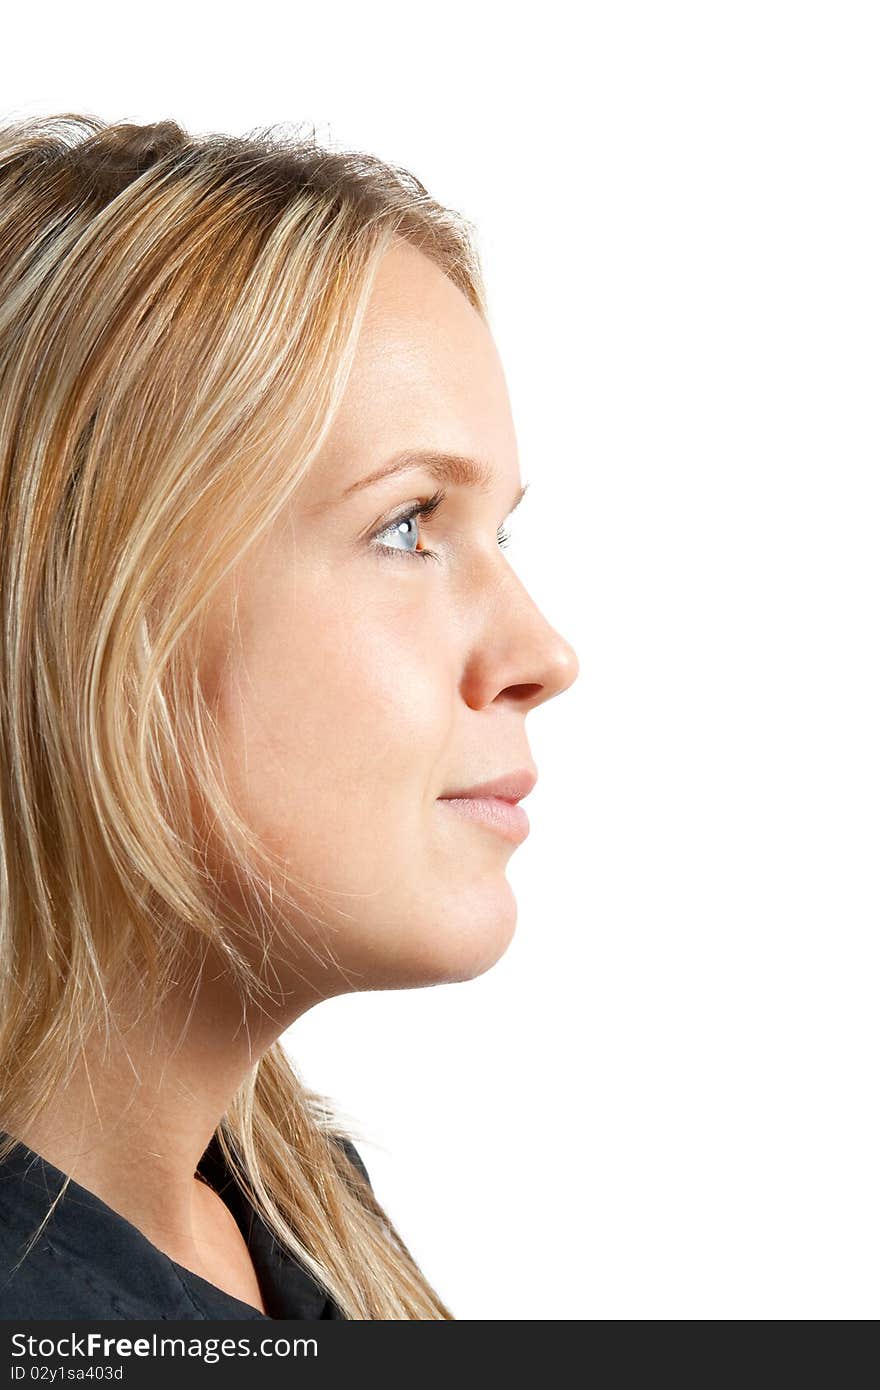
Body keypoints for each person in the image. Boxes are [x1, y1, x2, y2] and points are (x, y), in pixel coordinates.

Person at [0, 113, 579, 1320]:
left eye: (500, 530)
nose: (541, 655)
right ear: (85, 609)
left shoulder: (296, 1208)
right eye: (408, 523)